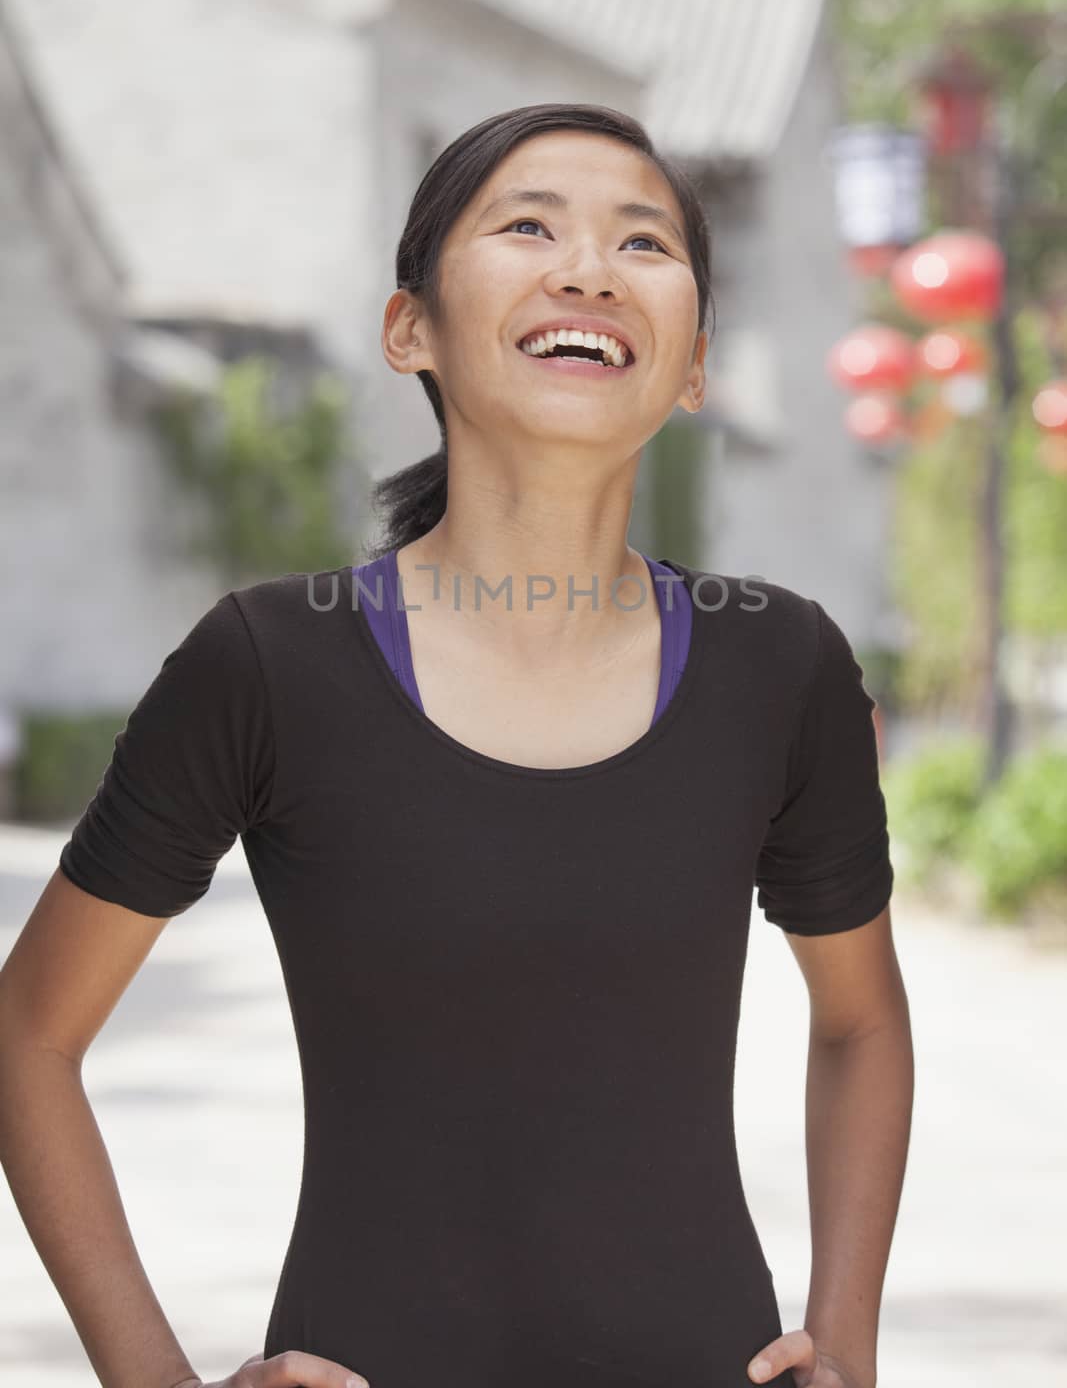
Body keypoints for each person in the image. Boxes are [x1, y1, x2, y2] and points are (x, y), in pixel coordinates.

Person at [0, 102, 913, 1388]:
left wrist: (849, 1347)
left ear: (693, 362)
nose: (588, 267)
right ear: (408, 326)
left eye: (642, 243)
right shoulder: (269, 664)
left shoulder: (780, 666)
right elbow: (28, 1036)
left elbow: (860, 1022)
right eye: (527, 224)